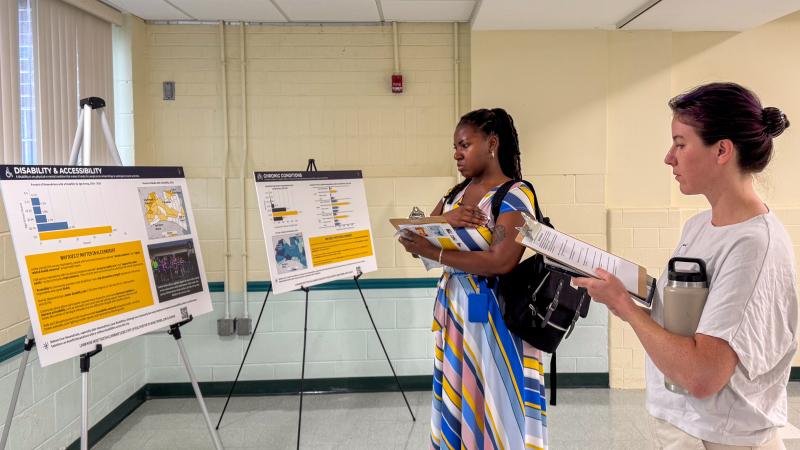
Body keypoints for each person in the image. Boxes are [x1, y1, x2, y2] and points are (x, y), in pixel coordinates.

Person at [573, 82, 797, 449]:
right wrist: (626, 282)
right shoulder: (700, 226)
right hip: (685, 426)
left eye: (680, 143)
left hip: (722, 438)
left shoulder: (754, 246)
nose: (669, 157)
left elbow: (701, 375)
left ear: (722, 150)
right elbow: (685, 312)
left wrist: (625, 307)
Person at [398, 108, 548, 450]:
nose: (456, 154)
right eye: (455, 146)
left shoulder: (515, 194)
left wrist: (434, 252)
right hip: (455, 316)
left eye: (464, 144)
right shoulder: (454, 196)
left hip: (497, 318)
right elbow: (414, 240)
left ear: (491, 144)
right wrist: (448, 218)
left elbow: (501, 260)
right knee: (461, 401)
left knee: (497, 407)